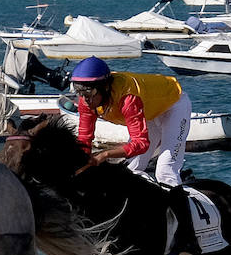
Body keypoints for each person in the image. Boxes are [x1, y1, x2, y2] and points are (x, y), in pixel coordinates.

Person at [71, 56, 191, 187]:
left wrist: (105, 154)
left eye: (88, 93)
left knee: (166, 172)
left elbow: (141, 143)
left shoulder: (128, 98)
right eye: (79, 93)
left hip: (174, 105)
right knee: (131, 169)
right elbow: (84, 139)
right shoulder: (87, 102)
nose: (85, 99)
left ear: (104, 87)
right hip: (148, 112)